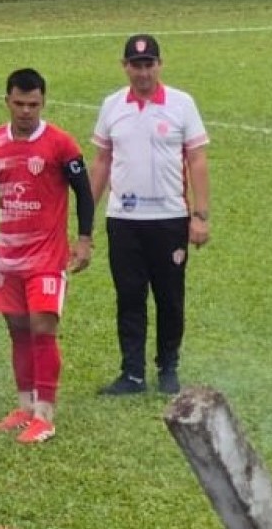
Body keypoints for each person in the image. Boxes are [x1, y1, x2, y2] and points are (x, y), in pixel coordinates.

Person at [0, 68, 95, 443]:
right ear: (7, 101)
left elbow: (84, 193)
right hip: (8, 256)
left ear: (44, 102)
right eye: (20, 103)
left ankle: (45, 413)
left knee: (43, 327)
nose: (26, 111)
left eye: (34, 104)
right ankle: (24, 406)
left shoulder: (61, 144)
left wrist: (85, 239)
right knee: (17, 329)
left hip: (46, 256)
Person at [90, 34, 209, 397]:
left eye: (149, 64)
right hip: (124, 221)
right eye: (136, 65)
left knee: (170, 297)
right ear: (124, 66)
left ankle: (168, 368)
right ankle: (133, 374)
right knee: (129, 296)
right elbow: (102, 162)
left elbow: (197, 160)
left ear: (160, 64)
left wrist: (200, 215)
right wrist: (85, 217)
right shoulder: (112, 106)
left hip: (170, 218)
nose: (143, 72)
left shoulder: (181, 104)